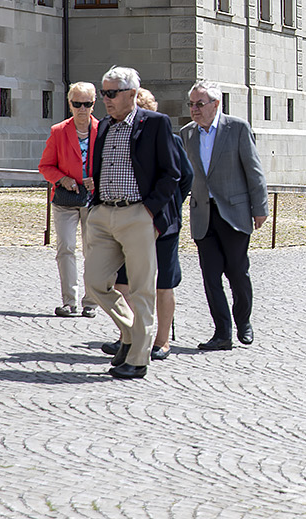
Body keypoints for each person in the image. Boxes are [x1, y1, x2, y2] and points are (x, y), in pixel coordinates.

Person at [84, 66, 182, 379]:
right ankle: (130, 333)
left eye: (111, 93)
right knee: (95, 281)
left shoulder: (154, 123)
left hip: (137, 213)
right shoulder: (104, 127)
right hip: (103, 214)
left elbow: (172, 173)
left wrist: (149, 211)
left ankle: (138, 359)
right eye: (103, 93)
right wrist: (96, 202)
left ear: (131, 94)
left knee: (142, 289)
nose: (105, 99)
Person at [181, 80, 269, 351]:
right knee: (210, 275)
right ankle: (222, 333)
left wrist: (260, 208)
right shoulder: (187, 134)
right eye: (191, 104)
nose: (194, 109)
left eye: (200, 104)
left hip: (234, 212)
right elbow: (184, 175)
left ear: (216, 104)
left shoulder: (237, 128)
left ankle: (243, 321)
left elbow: (254, 171)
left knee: (237, 272)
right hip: (203, 215)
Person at [106, 88, 191, 361]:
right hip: (126, 222)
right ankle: (127, 336)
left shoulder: (169, 138)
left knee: (163, 283)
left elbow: (185, 176)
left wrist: (169, 206)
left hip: (162, 224)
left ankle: (162, 341)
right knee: (124, 282)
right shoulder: (117, 135)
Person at [38, 82, 100, 319]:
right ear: (69, 104)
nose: (82, 109)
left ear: (94, 104)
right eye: (77, 104)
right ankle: (69, 301)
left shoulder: (102, 129)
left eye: (87, 104)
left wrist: (98, 179)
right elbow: (45, 166)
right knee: (65, 248)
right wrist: (62, 179)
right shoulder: (59, 131)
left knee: (93, 250)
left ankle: (91, 302)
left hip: (93, 199)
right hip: (65, 198)